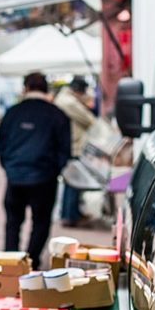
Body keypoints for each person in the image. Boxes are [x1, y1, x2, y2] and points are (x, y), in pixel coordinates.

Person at [0, 71, 70, 270]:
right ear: (46, 89)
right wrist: (54, 169)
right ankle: (31, 261)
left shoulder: (12, 112)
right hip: (44, 178)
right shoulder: (57, 114)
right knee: (41, 222)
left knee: (13, 221)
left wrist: (9, 167)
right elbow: (65, 149)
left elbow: (1, 143)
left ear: (25, 88)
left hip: (15, 177)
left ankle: (11, 261)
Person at [52, 75, 97, 227]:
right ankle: (70, 215)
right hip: (73, 145)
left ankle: (72, 212)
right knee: (74, 181)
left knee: (72, 181)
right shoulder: (68, 102)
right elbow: (89, 120)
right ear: (79, 91)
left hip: (72, 144)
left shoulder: (66, 99)